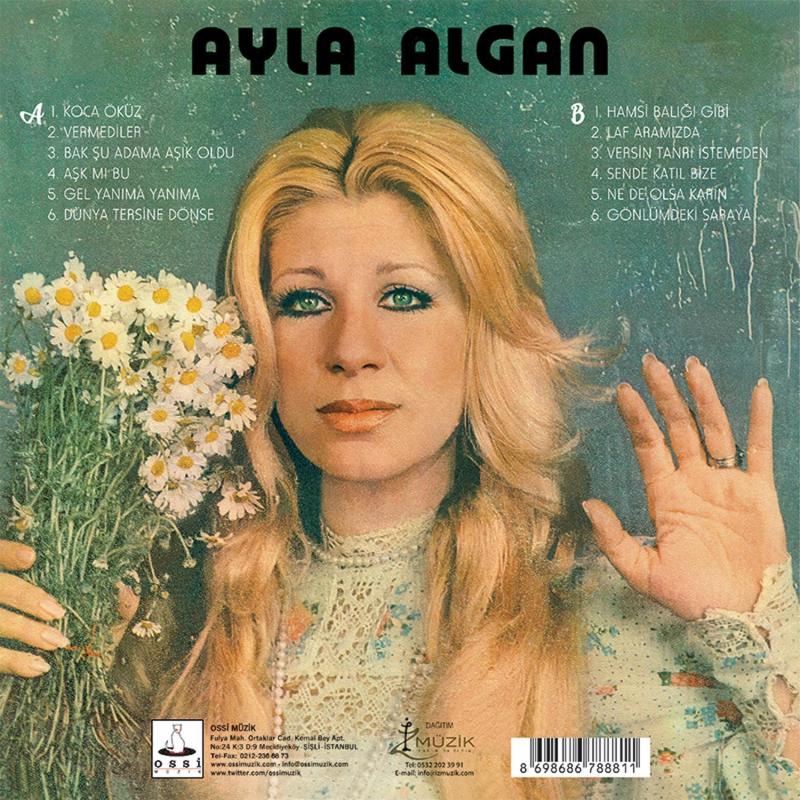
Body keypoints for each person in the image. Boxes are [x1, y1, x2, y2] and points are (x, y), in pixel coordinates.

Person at [0, 103, 797, 800]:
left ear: (486, 329)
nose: (352, 349)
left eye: (404, 296)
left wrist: (762, 631)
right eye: (304, 301)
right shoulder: (167, 619)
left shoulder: (595, 617)